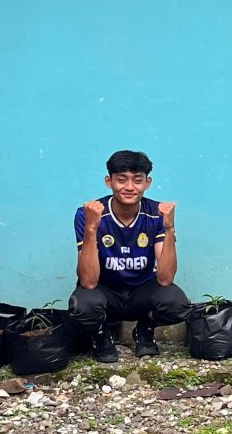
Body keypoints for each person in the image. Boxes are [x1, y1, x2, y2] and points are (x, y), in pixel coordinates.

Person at [71, 150, 190, 363]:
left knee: (177, 304)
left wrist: (169, 228)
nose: (129, 187)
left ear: (147, 183)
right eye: (121, 179)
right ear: (109, 181)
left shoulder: (156, 213)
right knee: (84, 305)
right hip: (105, 290)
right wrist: (91, 228)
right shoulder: (88, 214)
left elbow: (165, 279)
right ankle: (101, 334)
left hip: (141, 292)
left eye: (137, 180)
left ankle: (145, 328)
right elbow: (88, 281)